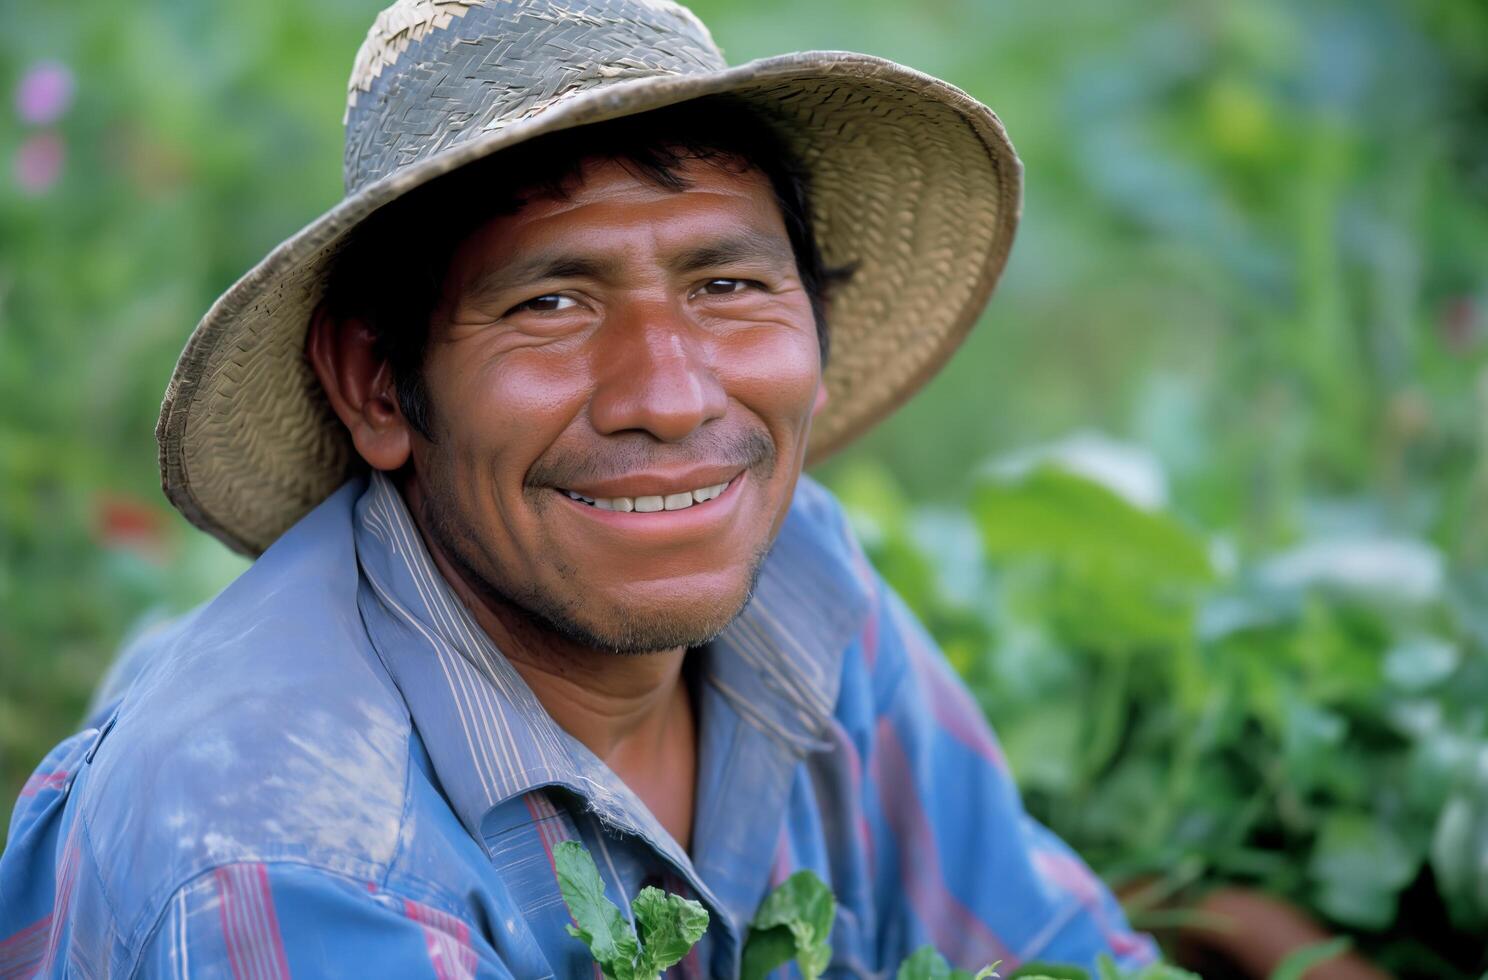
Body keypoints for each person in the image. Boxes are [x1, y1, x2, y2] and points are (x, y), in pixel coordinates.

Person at [0, 0, 1157, 976]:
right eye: (550, 303)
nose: (669, 394)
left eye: (728, 283)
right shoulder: (287, 851)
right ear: (378, 386)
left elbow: (1051, 944)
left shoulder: (800, 579)